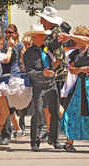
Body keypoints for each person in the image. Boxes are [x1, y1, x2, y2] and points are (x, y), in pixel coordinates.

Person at [24, 24, 62, 152]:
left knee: (55, 112)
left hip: (51, 84)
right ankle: (34, 142)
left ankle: (54, 139)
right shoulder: (28, 53)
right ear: (34, 37)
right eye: (41, 36)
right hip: (38, 86)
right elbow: (29, 72)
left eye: (44, 36)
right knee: (38, 113)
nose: (44, 38)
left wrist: (55, 66)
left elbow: (54, 62)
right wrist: (42, 74)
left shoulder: (48, 48)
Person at [37, 6, 67, 142]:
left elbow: (58, 57)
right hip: (55, 73)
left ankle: (71, 128)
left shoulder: (55, 34)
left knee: (54, 106)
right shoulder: (53, 33)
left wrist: (50, 71)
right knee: (51, 106)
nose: (41, 21)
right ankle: (52, 133)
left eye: (42, 19)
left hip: (56, 74)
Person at [0, 24, 24, 145]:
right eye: (6, 32)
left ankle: (13, 131)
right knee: (8, 107)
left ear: (16, 33)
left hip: (14, 76)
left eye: (10, 32)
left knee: (10, 106)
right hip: (3, 76)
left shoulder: (19, 45)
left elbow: (24, 58)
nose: (8, 35)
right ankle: (16, 130)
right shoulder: (3, 45)